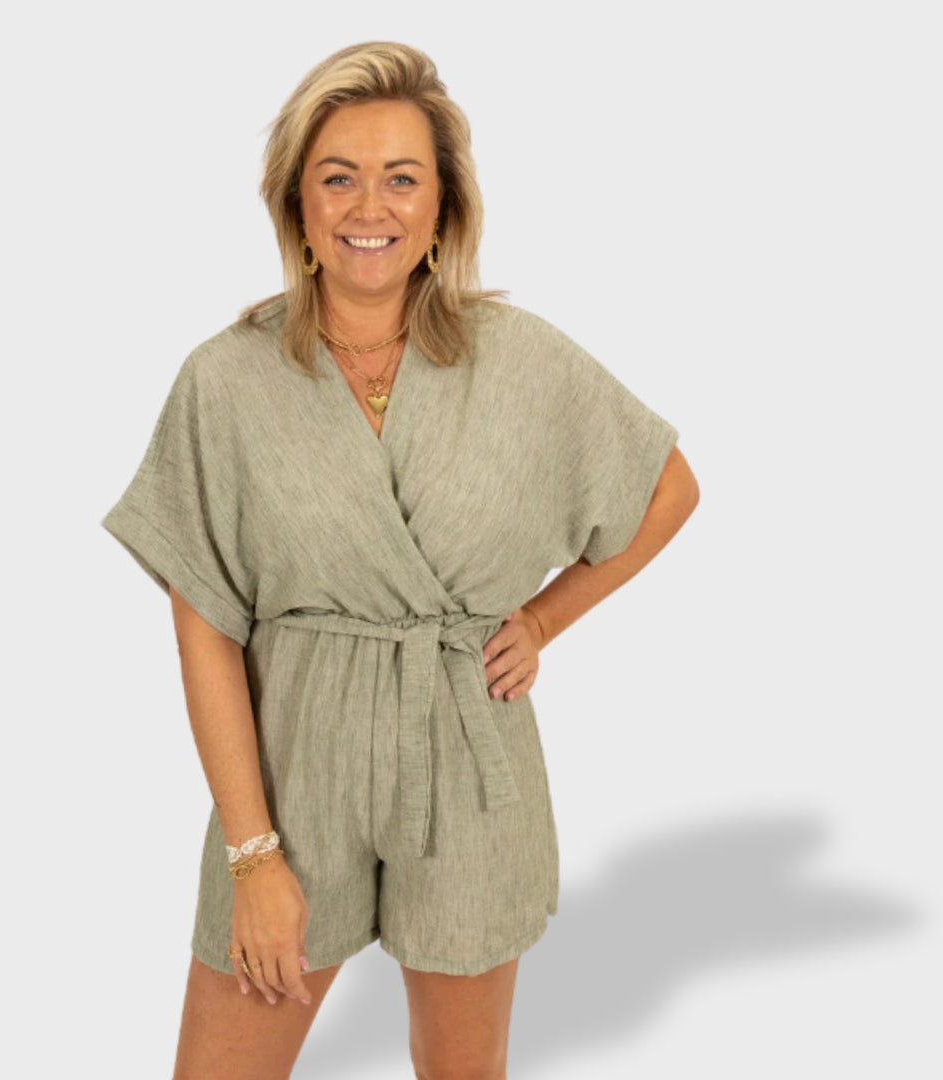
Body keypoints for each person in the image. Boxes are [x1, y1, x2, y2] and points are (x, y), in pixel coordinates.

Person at [101, 40, 699, 1080]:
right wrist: (252, 853)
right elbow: (204, 628)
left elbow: (668, 490)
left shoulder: (520, 359)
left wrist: (544, 619)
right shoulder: (225, 382)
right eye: (338, 177)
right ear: (296, 205)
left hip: (469, 753)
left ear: (443, 206)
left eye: (402, 178)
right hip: (293, 764)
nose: (369, 206)